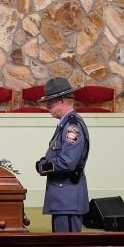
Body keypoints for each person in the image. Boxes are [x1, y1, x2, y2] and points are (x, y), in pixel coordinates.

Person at [35, 77, 90, 232]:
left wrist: (43, 166)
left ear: (61, 100)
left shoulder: (72, 127)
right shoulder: (65, 125)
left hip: (67, 197)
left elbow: (68, 162)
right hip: (64, 198)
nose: (47, 106)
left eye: (50, 102)